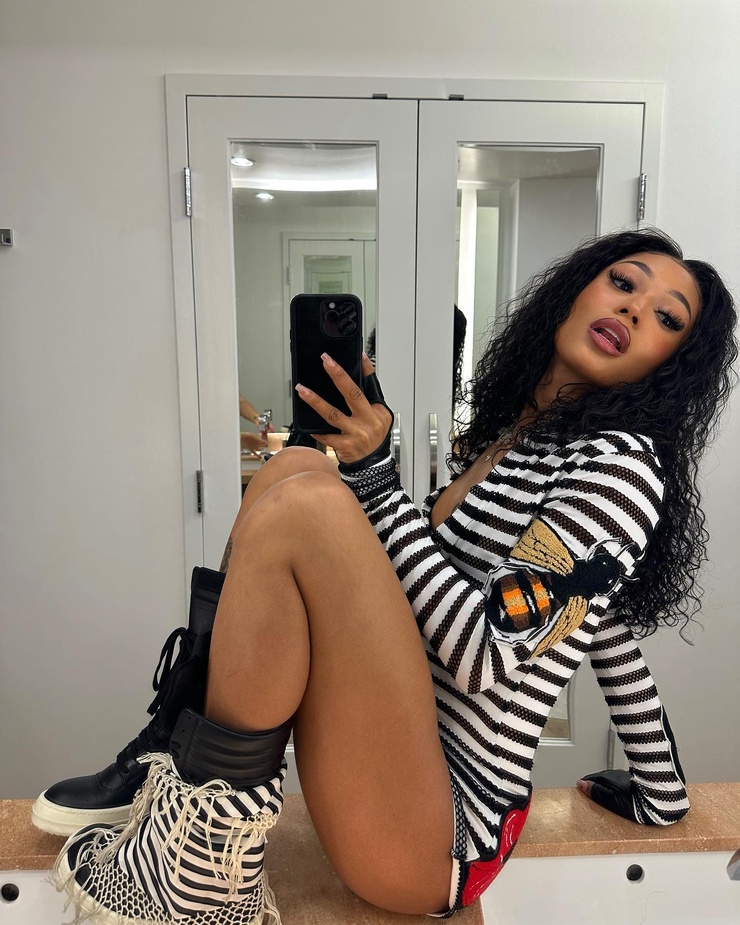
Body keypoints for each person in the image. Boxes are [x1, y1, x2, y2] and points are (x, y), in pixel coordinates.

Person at [38, 229, 736, 924]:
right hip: (396, 758)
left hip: (444, 836)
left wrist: (376, 480)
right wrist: (660, 788)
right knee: (295, 467)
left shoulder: (620, 466)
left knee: (311, 502)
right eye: (623, 282)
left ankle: (198, 866)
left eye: (667, 318)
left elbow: (484, 655)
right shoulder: (519, 437)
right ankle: (175, 747)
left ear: (672, 364)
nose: (634, 307)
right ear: (575, 291)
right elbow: (600, 623)